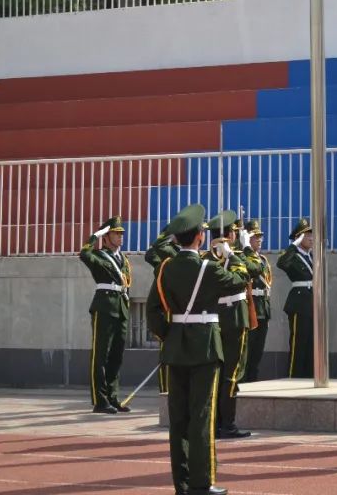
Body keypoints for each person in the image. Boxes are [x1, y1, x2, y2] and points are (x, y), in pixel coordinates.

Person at [146, 203, 250, 495]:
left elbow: (153, 311)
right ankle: (201, 482)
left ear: (178, 238)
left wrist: (171, 334)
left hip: (176, 347)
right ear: (199, 238)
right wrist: (235, 253)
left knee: (178, 419)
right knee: (201, 415)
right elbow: (241, 280)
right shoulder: (208, 267)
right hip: (204, 346)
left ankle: (181, 482)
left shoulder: (166, 268)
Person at [208, 211, 259, 439]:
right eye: (235, 232)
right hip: (234, 319)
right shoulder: (235, 257)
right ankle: (226, 423)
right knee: (232, 373)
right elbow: (255, 269)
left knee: (219, 372)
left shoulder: (206, 257)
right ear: (230, 234)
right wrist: (244, 250)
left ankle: (217, 421)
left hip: (215, 318)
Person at [79, 216, 131, 414]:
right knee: (101, 354)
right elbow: (84, 254)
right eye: (116, 233)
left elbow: (126, 282)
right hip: (105, 305)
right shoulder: (99, 255)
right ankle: (100, 400)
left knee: (116, 355)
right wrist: (94, 236)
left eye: (121, 233)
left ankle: (112, 396)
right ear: (106, 237)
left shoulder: (123, 259)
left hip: (121, 305)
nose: (121, 236)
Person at [277, 218, 315, 378]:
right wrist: (294, 244)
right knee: (298, 344)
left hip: (312, 302)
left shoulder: (310, 256)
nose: (311, 238)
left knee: (310, 345)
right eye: (307, 236)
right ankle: (294, 377)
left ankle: (308, 377)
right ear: (299, 238)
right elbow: (281, 263)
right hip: (299, 303)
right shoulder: (293, 255)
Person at [146, 229, 180, 395]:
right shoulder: (167, 251)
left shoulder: (179, 251)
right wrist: (167, 233)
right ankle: (165, 390)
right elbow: (149, 255)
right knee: (166, 351)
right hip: (169, 306)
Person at [242, 220, 272, 383]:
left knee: (257, 354)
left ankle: (253, 382)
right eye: (255, 237)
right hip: (250, 309)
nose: (259, 240)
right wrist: (244, 248)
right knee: (247, 352)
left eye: (260, 237)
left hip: (262, 309)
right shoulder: (243, 257)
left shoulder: (263, 260)